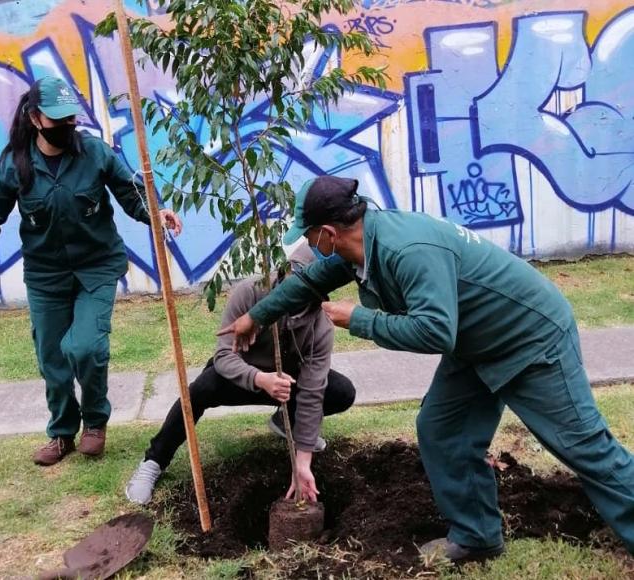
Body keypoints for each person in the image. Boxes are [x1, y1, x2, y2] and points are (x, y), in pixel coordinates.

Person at [219, 175, 634, 562]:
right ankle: (476, 536)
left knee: (580, 443)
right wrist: (256, 316)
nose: (307, 243)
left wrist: (360, 319)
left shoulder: (406, 250)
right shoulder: (360, 247)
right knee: (442, 429)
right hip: (478, 342)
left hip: (529, 336)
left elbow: (436, 332)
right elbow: (307, 283)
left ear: (328, 233)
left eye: (307, 235)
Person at [0, 76, 182, 466]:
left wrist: (155, 213)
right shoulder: (15, 165)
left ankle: (95, 423)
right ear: (35, 118)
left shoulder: (94, 152)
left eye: (71, 118)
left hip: (97, 267)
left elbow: (129, 191)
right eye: (57, 119)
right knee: (52, 358)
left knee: (85, 347)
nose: (67, 125)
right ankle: (61, 433)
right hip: (46, 275)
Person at [125, 243, 356, 505]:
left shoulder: (320, 324)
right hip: (244, 377)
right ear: (284, 271)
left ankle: (285, 421)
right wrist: (260, 379)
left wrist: (303, 461)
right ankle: (153, 461)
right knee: (200, 391)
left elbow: (313, 390)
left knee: (340, 391)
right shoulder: (250, 293)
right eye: (294, 280)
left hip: (286, 384)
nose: (297, 292)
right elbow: (223, 357)